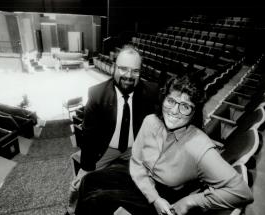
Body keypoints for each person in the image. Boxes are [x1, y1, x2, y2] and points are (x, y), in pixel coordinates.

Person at [74, 71, 253, 215]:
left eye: (185, 106)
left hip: (164, 195)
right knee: (88, 181)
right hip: (140, 176)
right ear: (164, 99)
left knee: (97, 201)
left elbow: (242, 192)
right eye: (171, 100)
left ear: (194, 111)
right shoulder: (150, 121)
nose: (174, 111)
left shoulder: (200, 147)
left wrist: (191, 201)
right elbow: (136, 163)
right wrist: (152, 195)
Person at [65, 45, 159, 215]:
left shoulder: (150, 92)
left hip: (135, 149)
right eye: (123, 69)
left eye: (135, 71)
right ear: (114, 67)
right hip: (106, 148)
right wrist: (86, 167)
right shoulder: (97, 94)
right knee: (80, 183)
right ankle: (72, 210)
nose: (129, 76)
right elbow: (88, 134)